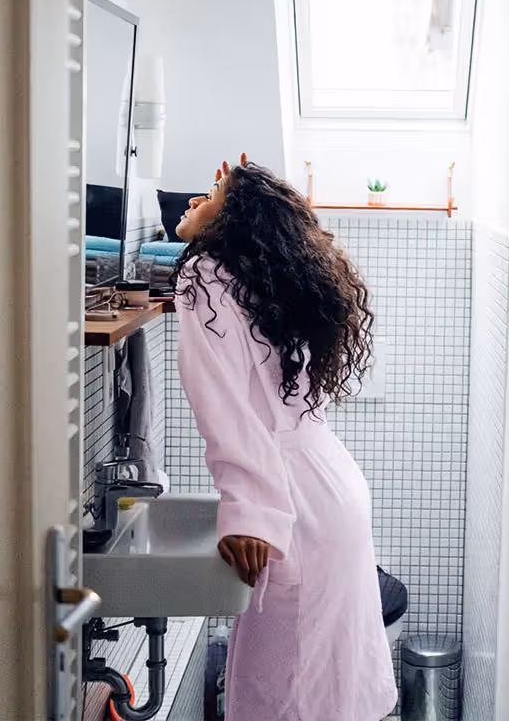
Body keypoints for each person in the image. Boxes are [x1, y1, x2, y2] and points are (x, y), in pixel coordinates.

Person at [170, 155, 397, 720]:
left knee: (287, 694)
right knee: (320, 684)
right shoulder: (256, 284)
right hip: (331, 489)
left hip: (295, 505)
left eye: (214, 195)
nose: (197, 200)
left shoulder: (202, 280)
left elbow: (224, 410)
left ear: (235, 222)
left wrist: (249, 510)